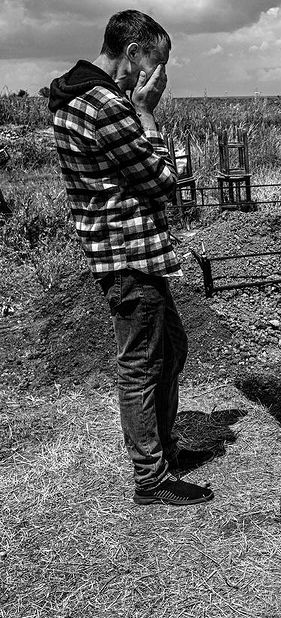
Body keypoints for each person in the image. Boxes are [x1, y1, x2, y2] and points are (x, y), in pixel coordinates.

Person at [50, 10, 214, 506]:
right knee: (143, 362)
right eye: (158, 62)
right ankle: (151, 475)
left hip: (119, 249)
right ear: (134, 53)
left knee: (172, 347)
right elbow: (163, 181)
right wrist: (147, 113)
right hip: (129, 250)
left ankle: (162, 447)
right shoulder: (106, 105)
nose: (160, 74)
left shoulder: (73, 97)